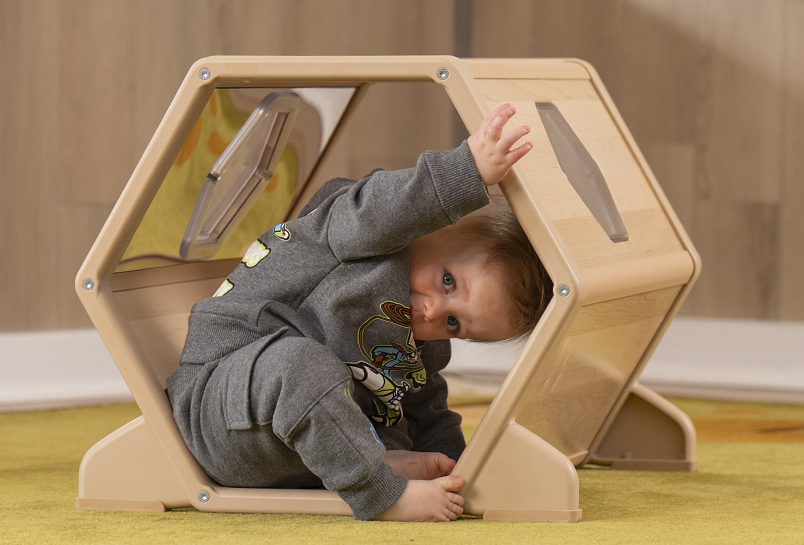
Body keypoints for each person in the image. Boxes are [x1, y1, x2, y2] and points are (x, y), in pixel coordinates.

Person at [166, 104, 550, 522]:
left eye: (454, 324)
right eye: (447, 282)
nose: (431, 310)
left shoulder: (420, 341)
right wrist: (466, 170)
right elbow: (384, 206)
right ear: (431, 226)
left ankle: (376, 460)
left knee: (395, 412)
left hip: (302, 453)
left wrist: (465, 471)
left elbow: (427, 407)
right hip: (224, 408)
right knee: (303, 365)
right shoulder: (354, 234)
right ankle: (380, 492)